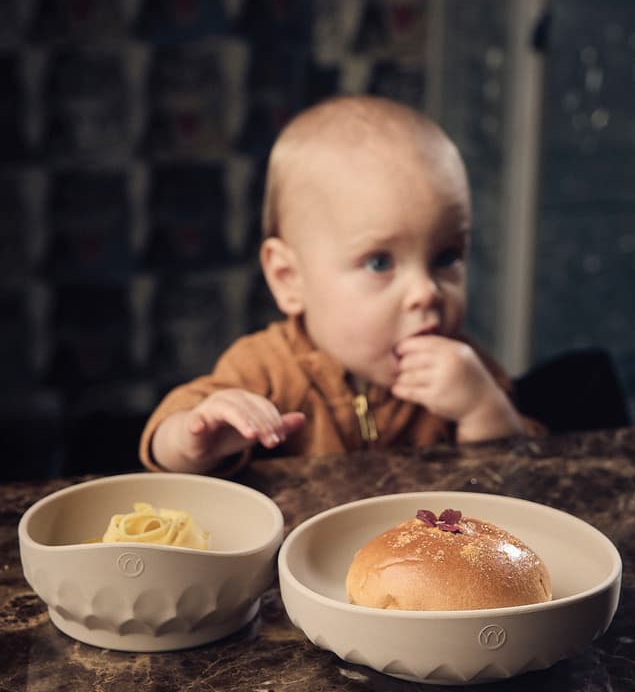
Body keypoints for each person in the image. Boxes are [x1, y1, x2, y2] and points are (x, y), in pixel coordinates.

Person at [139, 94, 542, 475]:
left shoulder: (467, 368)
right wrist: (193, 438)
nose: (426, 292)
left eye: (446, 257)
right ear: (289, 279)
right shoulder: (266, 368)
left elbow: (515, 480)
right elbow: (168, 441)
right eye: (380, 262)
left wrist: (482, 411)